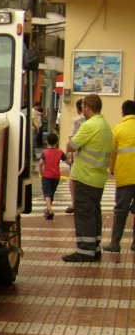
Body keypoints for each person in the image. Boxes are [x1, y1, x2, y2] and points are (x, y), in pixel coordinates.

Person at [62, 94, 113, 262]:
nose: (82, 110)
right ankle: (95, 248)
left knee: (84, 214)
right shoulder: (105, 125)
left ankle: (85, 251)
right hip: (98, 177)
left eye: (83, 107)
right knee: (94, 214)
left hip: (86, 176)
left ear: (87, 107)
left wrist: (71, 142)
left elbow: (71, 146)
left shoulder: (89, 125)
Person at [104, 99, 135, 259]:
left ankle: (115, 243)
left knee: (121, 210)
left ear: (123, 112)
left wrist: (112, 169)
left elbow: (112, 153)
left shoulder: (118, 129)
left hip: (126, 176)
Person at [65, 98, 85, 214]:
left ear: (78, 109)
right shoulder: (98, 121)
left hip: (78, 154)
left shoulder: (77, 120)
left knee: (73, 180)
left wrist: (69, 154)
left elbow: (72, 138)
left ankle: (74, 203)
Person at [39, 132, 65, 220]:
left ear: (47, 141)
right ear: (57, 142)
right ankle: (47, 209)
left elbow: (41, 163)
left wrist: (41, 171)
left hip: (47, 175)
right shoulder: (60, 152)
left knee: (47, 193)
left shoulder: (44, 152)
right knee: (51, 193)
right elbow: (68, 161)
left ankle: (50, 210)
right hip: (56, 176)